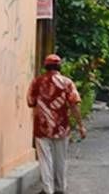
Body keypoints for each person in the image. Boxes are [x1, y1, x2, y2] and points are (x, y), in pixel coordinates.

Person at [26, 54, 86, 194]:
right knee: (61, 160)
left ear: (45, 66)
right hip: (61, 127)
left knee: (45, 160)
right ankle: (60, 188)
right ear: (59, 66)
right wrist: (80, 126)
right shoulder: (67, 82)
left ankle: (48, 190)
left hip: (42, 127)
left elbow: (30, 102)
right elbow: (74, 106)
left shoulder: (37, 82)